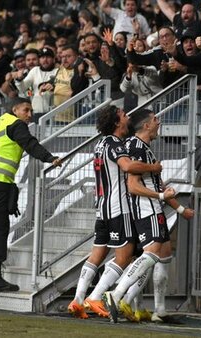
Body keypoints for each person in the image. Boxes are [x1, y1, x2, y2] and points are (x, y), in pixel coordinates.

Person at [67, 105, 164, 319]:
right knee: (125, 255)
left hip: (102, 207)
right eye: (124, 114)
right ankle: (97, 296)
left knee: (97, 255)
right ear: (117, 122)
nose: (127, 116)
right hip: (118, 208)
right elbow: (128, 167)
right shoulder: (114, 143)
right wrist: (153, 168)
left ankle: (78, 299)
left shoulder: (100, 144)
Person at [102, 109, 194, 323]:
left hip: (153, 207)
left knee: (163, 254)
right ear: (146, 125)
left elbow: (158, 184)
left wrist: (180, 209)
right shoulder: (136, 148)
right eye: (155, 119)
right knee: (151, 254)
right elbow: (133, 186)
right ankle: (116, 295)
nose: (158, 122)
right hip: (146, 208)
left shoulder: (144, 148)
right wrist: (160, 195)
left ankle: (159, 310)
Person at [0, 97, 62, 293]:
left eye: (31, 110)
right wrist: (49, 158)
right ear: (14, 109)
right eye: (26, 110)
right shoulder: (16, 124)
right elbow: (29, 143)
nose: (29, 114)